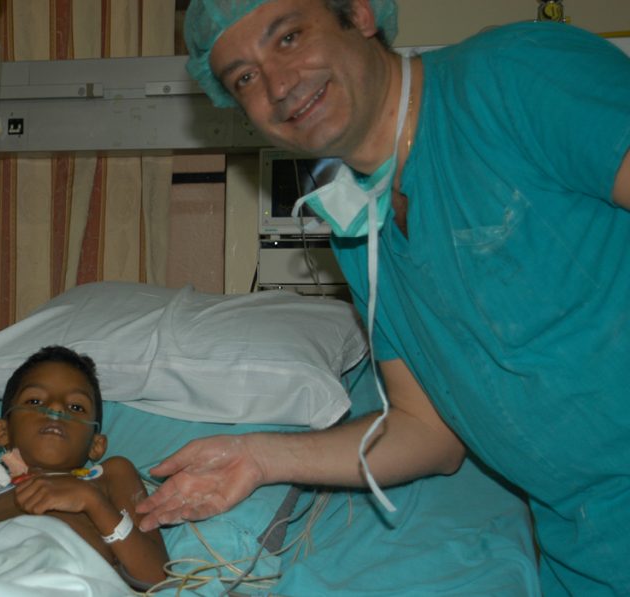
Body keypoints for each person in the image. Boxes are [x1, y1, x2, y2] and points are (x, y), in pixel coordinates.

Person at [135, 1, 630, 595]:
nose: (279, 86)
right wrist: (260, 457)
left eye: (289, 38)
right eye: (244, 77)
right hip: (589, 556)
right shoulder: (359, 230)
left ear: (361, 13)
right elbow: (427, 432)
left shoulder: (512, 77)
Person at [0, 345, 169, 589]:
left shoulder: (109, 477)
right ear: (1, 431)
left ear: (96, 444)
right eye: (35, 401)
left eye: (76, 407)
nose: (56, 408)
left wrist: (92, 501)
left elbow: (156, 576)